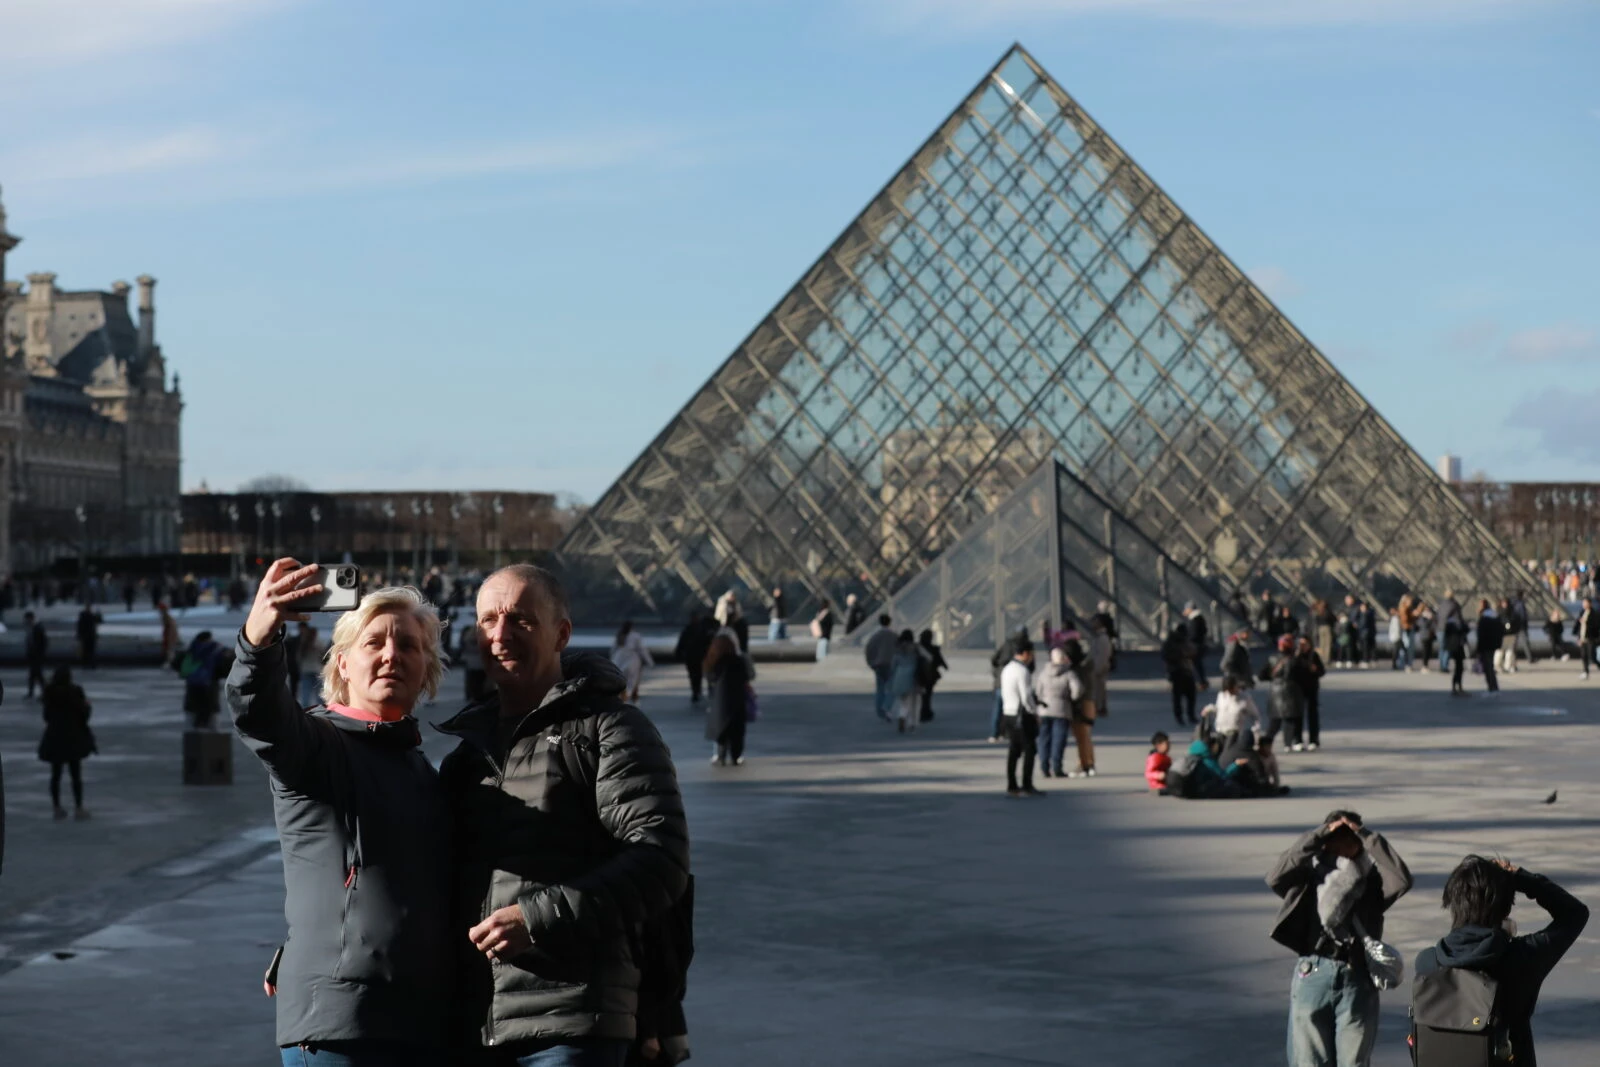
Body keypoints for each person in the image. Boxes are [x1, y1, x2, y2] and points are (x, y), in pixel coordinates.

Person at [437, 564, 690, 1065]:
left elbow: (661, 859)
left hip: (571, 1023)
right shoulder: (464, 758)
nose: (501, 635)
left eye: (521, 620)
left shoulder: (611, 729)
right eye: (488, 620)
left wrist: (536, 917)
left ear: (562, 633)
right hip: (473, 1022)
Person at [228, 559, 454, 1066]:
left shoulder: (419, 767)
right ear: (343, 664)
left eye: (409, 646)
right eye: (374, 643)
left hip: (418, 1022)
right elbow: (259, 713)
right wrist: (260, 636)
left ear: (427, 672)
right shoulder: (317, 745)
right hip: (342, 1026)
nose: (392, 655)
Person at [1267, 811, 1413, 1067]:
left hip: (1357, 977)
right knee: (1308, 1060)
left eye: (1350, 837)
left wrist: (1367, 836)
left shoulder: (1371, 883)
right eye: (1337, 835)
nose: (1343, 842)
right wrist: (1319, 834)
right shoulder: (1310, 879)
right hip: (1313, 973)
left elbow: (1401, 879)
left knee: (1354, 1061)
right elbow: (1276, 876)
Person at [1412, 856, 1588, 1067]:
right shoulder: (1523, 957)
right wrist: (1521, 878)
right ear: (1505, 909)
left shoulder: (1427, 962)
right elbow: (1574, 914)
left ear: (1452, 903)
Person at [38, 665, 94, 820]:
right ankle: (78, 808)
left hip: (55, 737)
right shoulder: (75, 692)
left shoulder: (50, 693)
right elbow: (83, 715)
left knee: (55, 775)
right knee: (76, 775)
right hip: (73, 737)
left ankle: (56, 807)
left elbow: (47, 716)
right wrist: (88, 707)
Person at [999, 638, 1041, 797]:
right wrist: (1034, 712)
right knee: (1030, 750)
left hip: (1008, 712)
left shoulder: (1007, 669)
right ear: (1025, 654)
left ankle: (1012, 784)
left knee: (1014, 750)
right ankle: (1027, 784)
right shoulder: (1023, 671)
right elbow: (1026, 696)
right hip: (1021, 715)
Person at [703, 633, 751, 765]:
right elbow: (747, 677)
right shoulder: (738, 660)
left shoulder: (713, 661)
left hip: (720, 701)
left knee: (721, 729)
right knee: (737, 730)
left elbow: (709, 678)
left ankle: (720, 754)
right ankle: (736, 756)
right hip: (737, 699)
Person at [1033, 645, 1080, 778]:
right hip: (1062, 709)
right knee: (1059, 740)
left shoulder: (1043, 673)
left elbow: (1038, 691)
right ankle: (1057, 767)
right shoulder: (1068, 673)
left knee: (1044, 739)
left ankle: (1044, 766)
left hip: (1044, 709)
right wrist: (1070, 699)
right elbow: (1077, 690)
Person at [1259, 635, 1302, 746]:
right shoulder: (1295, 660)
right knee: (1290, 720)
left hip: (1275, 691)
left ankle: (1266, 743)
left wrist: (1274, 679)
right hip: (1291, 691)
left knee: (1274, 721)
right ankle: (1288, 744)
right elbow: (1301, 675)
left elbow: (1261, 675)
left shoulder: (1272, 658)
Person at [1063, 639, 1097, 777]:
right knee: (1086, 737)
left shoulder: (1075, 671)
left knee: (1081, 737)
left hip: (1080, 705)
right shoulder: (1085, 668)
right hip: (1089, 703)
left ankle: (1085, 764)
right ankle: (1088, 762)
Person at [987, 627, 1027, 742]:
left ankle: (994, 733)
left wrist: (997, 670)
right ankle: (1008, 732)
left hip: (1000, 682)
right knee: (1012, 708)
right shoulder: (1023, 647)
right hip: (1013, 681)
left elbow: (994, 658)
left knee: (998, 708)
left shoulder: (1006, 644)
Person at [181, 630, 225, 729]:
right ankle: (208, 734)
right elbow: (223, 667)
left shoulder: (191, 649)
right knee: (210, 711)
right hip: (209, 684)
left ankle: (196, 730)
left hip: (192, 684)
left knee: (193, 712)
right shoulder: (215, 649)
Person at [1293, 636, 1326, 751]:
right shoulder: (1295, 656)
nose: (1303, 646)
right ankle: (1297, 740)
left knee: (1313, 715)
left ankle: (1314, 740)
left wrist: (1315, 670)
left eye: (1305, 644)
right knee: (1298, 715)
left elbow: (1322, 671)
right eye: (1301, 644)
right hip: (1298, 689)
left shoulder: (1314, 656)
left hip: (1312, 688)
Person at [863, 614, 897, 721]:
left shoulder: (875, 636)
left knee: (880, 689)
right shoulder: (894, 636)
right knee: (891, 688)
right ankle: (887, 707)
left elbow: (869, 649)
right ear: (889, 622)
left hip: (879, 665)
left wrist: (871, 663)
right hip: (891, 665)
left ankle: (880, 710)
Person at [1162, 625, 1198, 727]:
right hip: (1180, 671)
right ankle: (1186, 716)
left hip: (1180, 671)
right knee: (1186, 696)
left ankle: (1183, 716)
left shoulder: (1177, 642)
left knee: (1183, 696)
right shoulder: (1175, 643)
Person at [611, 620, 654, 704]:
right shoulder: (635, 636)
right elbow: (642, 650)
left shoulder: (619, 635)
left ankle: (622, 695)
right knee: (632, 679)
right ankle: (629, 696)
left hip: (618, 659)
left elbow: (613, 649)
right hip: (632, 659)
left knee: (620, 678)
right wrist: (650, 662)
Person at [674, 610, 714, 701]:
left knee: (695, 675)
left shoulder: (692, 629)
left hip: (694, 657)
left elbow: (682, 643)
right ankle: (696, 691)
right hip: (695, 657)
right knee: (695, 675)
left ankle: (696, 691)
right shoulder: (700, 630)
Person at [1212, 673, 1260, 745]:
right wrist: (1210, 709)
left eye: (1231, 689)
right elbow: (1218, 709)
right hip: (1220, 732)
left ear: (1236, 686)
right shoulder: (1221, 695)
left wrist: (1255, 730)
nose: (1229, 692)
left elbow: (1255, 715)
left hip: (1234, 734)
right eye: (1227, 690)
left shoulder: (1244, 698)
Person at [916, 629, 946, 723]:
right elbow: (939, 660)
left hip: (919, 674)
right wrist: (945, 666)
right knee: (928, 695)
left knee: (921, 695)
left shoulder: (918, 648)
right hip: (931, 675)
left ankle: (923, 711)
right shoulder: (934, 648)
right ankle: (926, 711)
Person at [1087, 615, 1112, 718]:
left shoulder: (1102, 638)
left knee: (1099, 689)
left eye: (1095, 622)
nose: (1092, 624)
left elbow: (1103, 655)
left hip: (1098, 669)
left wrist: (1096, 669)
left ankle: (1100, 707)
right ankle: (1099, 707)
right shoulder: (1098, 637)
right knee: (1098, 689)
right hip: (1096, 668)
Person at [1476, 598, 1503, 694]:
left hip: (1485, 645)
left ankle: (1492, 686)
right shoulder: (1495, 616)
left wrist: (1478, 648)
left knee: (1488, 667)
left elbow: (1480, 634)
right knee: (1490, 665)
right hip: (1493, 644)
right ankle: (1493, 685)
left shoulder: (1484, 618)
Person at [294, 620, 322, 708]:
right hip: (317, 669)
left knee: (305, 693)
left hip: (306, 670)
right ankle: (322, 711)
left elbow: (298, 657)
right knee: (319, 695)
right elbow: (323, 655)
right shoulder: (318, 643)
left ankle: (305, 712)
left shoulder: (303, 643)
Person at [1183, 602, 1209, 690]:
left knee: (1195, 665)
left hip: (1194, 646)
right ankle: (1201, 682)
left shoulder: (1194, 620)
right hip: (1198, 645)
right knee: (1197, 664)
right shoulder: (1199, 619)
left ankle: (1200, 682)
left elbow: (1193, 634)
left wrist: (1187, 640)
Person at [24, 611, 48, 699]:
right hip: (34, 655)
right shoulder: (35, 627)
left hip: (36, 656)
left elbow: (42, 642)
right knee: (35, 675)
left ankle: (40, 692)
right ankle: (35, 692)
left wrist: (39, 653)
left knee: (37, 675)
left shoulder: (38, 628)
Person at [1445, 611, 1469, 697]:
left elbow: (1466, 629)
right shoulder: (1450, 624)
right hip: (1455, 647)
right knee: (1458, 668)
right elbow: (1449, 635)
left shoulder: (1460, 622)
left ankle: (1459, 686)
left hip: (1460, 646)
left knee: (1460, 668)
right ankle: (1455, 687)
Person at [1574, 597, 1598, 679]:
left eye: (1585, 603)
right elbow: (1578, 626)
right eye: (1583, 603)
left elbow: (1596, 626)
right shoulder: (1582, 612)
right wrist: (1578, 637)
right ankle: (1585, 672)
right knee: (1584, 655)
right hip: (1582, 638)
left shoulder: (1594, 613)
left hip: (1591, 638)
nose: (1584, 604)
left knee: (1592, 656)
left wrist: (1586, 622)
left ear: (1590, 603)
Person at [76, 604, 103, 668]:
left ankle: (86, 664)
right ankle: (90, 664)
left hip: (87, 636)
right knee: (90, 651)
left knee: (86, 651)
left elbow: (80, 627)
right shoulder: (90, 616)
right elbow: (99, 621)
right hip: (90, 636)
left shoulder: (84, 616)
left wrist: (79, 635)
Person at [158, 601, 180, 669]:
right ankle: (170, 662)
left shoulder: (167, 617)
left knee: (170, 650)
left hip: (169, 635)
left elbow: (172, 628)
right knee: (169, 650)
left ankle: (171, 663)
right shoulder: (166, 617)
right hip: (168, 635)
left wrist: (171, 638)